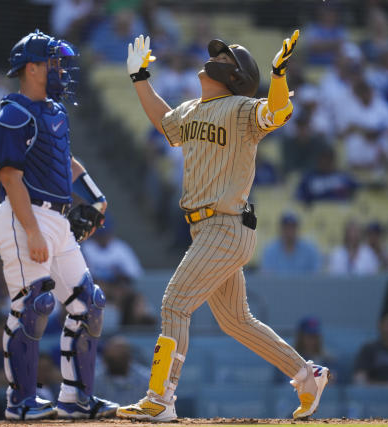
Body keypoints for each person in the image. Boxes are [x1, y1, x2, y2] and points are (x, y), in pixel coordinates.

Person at [116, 32, 330, 422]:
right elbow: (165, 123)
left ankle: (160, 398)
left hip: (226, 226)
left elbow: (278, 112)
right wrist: (139, 78)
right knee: (235, 321)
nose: (213, 58)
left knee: (174, 303)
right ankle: (307, 376)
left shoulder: (241, 108)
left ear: (235, 77)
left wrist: (278, 75)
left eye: (225, 58)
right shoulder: (193, 108)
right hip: (209, 230)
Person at [0, 30, 118, 420]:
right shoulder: (13, 113)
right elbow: (9, 177)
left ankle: (75, 398)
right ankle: (20, 402)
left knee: (88, 304)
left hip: (57, 219)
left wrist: (95, 196)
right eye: (53, 62)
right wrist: (31, 231)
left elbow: (67, 161)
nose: (61, 69)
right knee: (33, 304)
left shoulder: (55, 111)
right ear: (31, 68)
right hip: (23, 214)